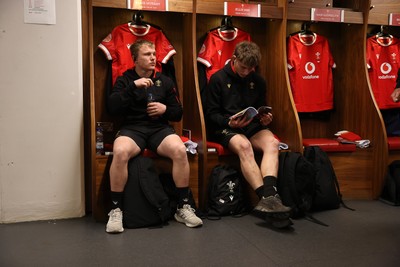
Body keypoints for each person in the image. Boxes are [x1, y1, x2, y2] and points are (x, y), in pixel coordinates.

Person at [105, 39, 203, 233]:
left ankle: (183, 207)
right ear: (135, 58)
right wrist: (134, 86)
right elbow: (112, 107)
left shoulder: (164, 80)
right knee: (120, 151)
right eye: (147, 54)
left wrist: (164, 109)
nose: (153, 58)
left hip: (159, 129)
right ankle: (116, 210)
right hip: (133, 129)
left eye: (154, 54)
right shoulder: (125, 79)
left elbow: (177, 113)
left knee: (179, 150)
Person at [205, 41, 291, 223]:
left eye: (250, 69)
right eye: (243, 67)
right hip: (225, 127)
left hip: (251, 125)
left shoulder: (257, 80)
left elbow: (261, 107)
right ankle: (266, 199)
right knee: (244, 145)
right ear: (234, 59)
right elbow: (211, 114)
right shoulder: (218, 79)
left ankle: (269, 196)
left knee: (273, 143)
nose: (246, 72)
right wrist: (228, 121)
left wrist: (265, 117)